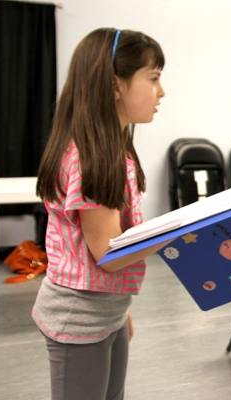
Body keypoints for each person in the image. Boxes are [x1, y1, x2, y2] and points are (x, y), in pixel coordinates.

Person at [33, 28, 166, 400]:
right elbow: (108, 254)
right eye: (153, 78)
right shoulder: (91, 158)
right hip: (79, 319)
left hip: (107, 310)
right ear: (114, 85)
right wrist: (179, 231)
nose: (162, 92)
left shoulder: (113, 151)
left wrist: (120, 311)